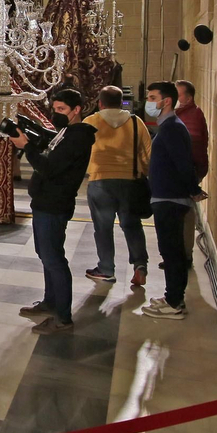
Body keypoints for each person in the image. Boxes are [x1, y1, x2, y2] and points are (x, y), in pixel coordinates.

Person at [7, 88, 96, 334]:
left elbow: (49, 167)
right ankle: (50, 302)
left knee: (54, 259)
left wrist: (27, 147)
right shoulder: (66, 133)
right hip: (45, 202)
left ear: (76, 110)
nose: (56, 114)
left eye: (61, 110)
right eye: (54, 109)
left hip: (55, 204)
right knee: (45, 254)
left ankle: (63, 317)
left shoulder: (78, 137)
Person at [81, 86, 151, 287]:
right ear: (121, 102)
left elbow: (81, 151)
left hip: (100, 180)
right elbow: (147, 154)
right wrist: (141, 173)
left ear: (100, 103)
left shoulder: (91, 122)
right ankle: (140, 265)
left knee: (102, 228)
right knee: (132, 225)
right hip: (129, 181)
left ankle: (106, 269)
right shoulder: (136, 123)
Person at [140, 82, 198, 320]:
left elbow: (183, 162)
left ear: (166, 101)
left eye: (153, 97)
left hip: (171, 198)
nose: (149, 101)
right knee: (169, 251)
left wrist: (193, 188)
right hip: (165, 196)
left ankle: (174, 302)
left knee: (172, 253)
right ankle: (171, 295)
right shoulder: (167, 126)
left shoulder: (172, 128)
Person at [175, 80, 210, 265]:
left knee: (185, 214)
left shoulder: (192, 115)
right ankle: (178, 253)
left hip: (188, 171)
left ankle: (185, 255)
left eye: (178, 94)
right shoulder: (182, 114)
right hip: (182, 171)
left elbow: (192, 146)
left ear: (187, 97)